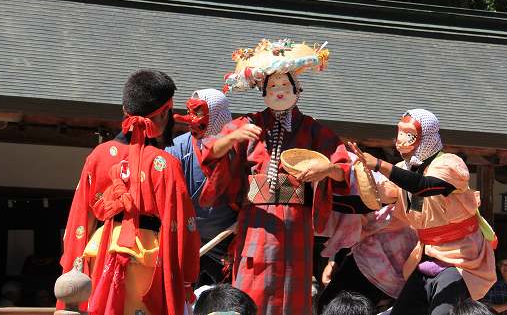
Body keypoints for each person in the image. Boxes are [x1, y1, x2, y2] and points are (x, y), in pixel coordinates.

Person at [200, 39, 352, 315]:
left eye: (285, 86)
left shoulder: (313, 129)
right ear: (263, 91)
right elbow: (210, 151)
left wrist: (327, 170)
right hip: (258, 220)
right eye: (272, 86)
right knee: (252, 280)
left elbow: (343, 165)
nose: (279, 91)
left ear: (297, 89)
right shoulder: (248, 124)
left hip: (296, 221)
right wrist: (232, 137)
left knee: (294, 286)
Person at [59, 69, 201, 314]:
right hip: (148, 261)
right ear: (165, 113)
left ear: (125, 110)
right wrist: (186, 278)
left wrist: (74, 265)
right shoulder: (165, 164)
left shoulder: (99, 156)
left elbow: (80, 219)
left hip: (100, 257)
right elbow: (182, 226)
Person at [349, 109, 497, 315]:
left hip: (460, 258)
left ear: (425, 137)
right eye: (399, 134)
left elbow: (424, 186)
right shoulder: (403, 169)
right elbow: (378, 198)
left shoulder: (449, 164)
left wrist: (379, 164)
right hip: (426, 255)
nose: (400, 142)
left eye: (409, 135)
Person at [316, 154, 418, 313]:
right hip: (376, 269)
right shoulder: (380, 199)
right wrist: (335, 260)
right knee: (330, 305)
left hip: (379, 269)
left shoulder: (414, 199)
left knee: (330, 306)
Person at [167, 89, 237, 285]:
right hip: (185, 237)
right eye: (191, 112)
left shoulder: (240, 148)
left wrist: (246, 218)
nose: (191, 119)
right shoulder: (177, 148)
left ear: (217, 114)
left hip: (227, 242)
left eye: (198, 112)